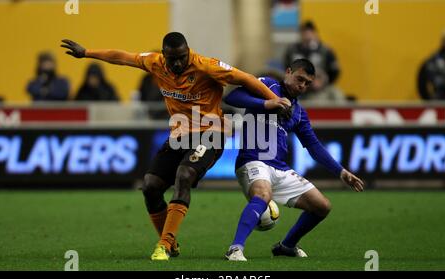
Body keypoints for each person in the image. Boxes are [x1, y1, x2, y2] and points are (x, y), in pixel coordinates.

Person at [61, 32, 291, 261]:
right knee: (151, 187)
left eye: (182, 56)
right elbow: (122, 57)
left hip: (212, 133)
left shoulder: (206, 66)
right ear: (164, 56)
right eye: (173, 59)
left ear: (188, 51)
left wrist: (274, 100)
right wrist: (87, 53)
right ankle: (170, 242)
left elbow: (246, 78)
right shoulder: (155, 63)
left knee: (184, 174)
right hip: (179, 135)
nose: (179, 62)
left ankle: (163, 244)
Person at [223, 58, 364, 261]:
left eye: (307, 83)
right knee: (263, 194)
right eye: (300, 79)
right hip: (254, 159)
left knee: (322, 206)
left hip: (280, 168)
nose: (302, 86)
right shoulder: (269, 85)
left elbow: (314, 146)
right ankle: (235, 249)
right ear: (288, 72)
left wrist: (341, 172)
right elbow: (233, 96)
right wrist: (267, 102)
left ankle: (287, 246)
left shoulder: (298, 112)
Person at [283, 20, 344, 103]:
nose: (307, 35)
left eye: (310, 32)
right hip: (298, 88)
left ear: (315, 33)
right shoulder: (292, 50)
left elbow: (334, 71)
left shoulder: (325, 50)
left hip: (320, 88)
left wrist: (322, 82)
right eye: (304, 33)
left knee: (337, 96)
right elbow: (286, 69)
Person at [418, 30, 445, 101]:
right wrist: (428, 101)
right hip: (441, 99)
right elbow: (422, 81)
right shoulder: (434, 60)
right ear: (444, 42)